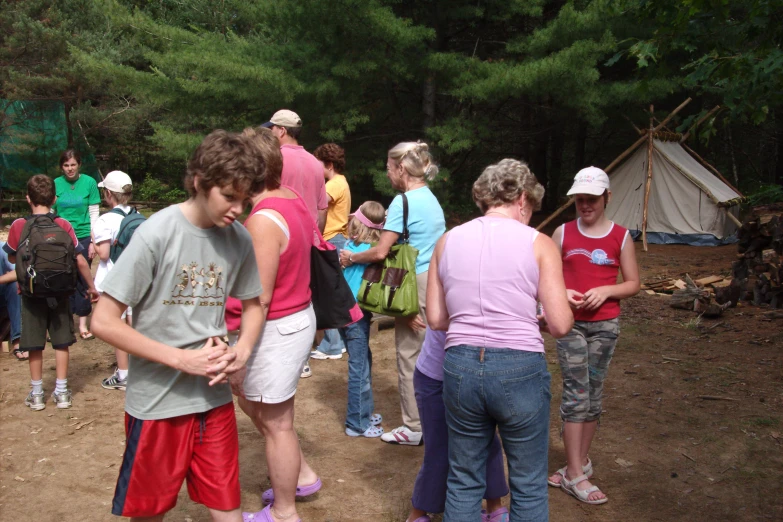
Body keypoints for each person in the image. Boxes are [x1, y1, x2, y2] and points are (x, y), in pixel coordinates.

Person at [90, 130, 265, 522]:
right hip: (156, 404)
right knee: (149, 513)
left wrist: (243, 350)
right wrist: (181, 360)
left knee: (228, 510)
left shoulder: (238, 238)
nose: (238, 209)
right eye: (229, 196)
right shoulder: (156, 232)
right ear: (200, 183)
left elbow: (254, 305)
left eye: (245, 200)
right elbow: (103, 320)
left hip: (213, 403)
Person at [426, 159, 573, 520]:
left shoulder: (447, 240)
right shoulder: (538, 242)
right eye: (532, 208)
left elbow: (436, 318)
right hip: (519, 366)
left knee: (463, 479)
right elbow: (560, 325)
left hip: (460, 364)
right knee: (528, 481)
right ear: (522, 198)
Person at [224, 127, 319, 522]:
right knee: (266, 413)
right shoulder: (291, 199)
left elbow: (258, 297)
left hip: (276, 328)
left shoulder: (263, 220)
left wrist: (240, 352)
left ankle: (283, 512)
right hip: (293, 319)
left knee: (277, 423)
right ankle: (303, 475)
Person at [340, 141, 445, 446]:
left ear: (401, 168)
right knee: (430, 352)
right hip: (433, 281)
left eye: (388, 168)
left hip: (412, 285)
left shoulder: (403, 201)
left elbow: (381, 251)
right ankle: (432, 419)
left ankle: (413, 427)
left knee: (409, 355)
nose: (387, 174)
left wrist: (351, 258)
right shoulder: (430, 198)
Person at [546, 167, 640, 505]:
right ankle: (573, 474)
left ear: (606, 198)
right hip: (570, 323)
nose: (585, 205)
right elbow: (548, 275)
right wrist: (565, 290)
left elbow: (633, 283)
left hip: (605, 325)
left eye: (592, 199)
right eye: (580, 200)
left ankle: (579, 462)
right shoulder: (562, 233)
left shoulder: (621, 236)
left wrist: (607, 290)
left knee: (594, 393)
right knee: (576, 392)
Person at [4, 175, 100, 411]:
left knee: (34, 344)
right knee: (61, 343)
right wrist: (91, 286)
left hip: (30, 293)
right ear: (55, 198)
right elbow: (80, 261)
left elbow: (12, 258)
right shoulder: (64, 224)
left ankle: (37, 394)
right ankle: (62, 391)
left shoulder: (18, 226)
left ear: (28, 198)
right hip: (61, 293)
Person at [407, 328, 509, 522]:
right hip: (437, 377)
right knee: (438, 448)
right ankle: (418, 513)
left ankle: (494, 508)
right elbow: (440, 321)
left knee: (488, 441)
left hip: (478, 377)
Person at [339, 201, 385, 438]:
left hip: (346, 313)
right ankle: (356, 423)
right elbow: (384, 250)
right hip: (355, 315)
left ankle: (364, 412)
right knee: (359, 367)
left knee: (364, 360)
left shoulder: (351, 247)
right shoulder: (368, 251)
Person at [91, 170, 135, 391]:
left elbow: (105, 253)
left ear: (108, 194)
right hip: (136, 278)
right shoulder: (137, 216)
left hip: (114, 280)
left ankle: (124, 374)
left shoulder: (105, 219)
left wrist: (94, 243)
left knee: (117, 327)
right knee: (134, 325)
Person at [52, 149, 101, 340]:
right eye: (66, 165)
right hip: (61, 238)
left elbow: (94, 213)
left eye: (73, 164)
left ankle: (82, 324)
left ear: (79, 164)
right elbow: (51, 211)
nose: (70, 169)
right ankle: (63, 324)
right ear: (62, 167)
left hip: (82, 236)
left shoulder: (89, 183)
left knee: (83, 278)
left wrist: (93, 241)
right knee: (62, 278)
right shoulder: (56, 183)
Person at [310, 143, 351, 360]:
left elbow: (318, 205)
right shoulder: (340, 182)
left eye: (319, 165)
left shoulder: (333, 184)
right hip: (338, 240)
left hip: (332, 240)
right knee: (332, 291)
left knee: (327, 294)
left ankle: (331, 346)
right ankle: (336, 343)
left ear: (329, 164)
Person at [261, 109, 328, 230]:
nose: (270, 133)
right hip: (310, 240)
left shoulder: (275, 159)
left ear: (282, 131)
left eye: (272, 129)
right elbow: (322, 210)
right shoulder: (316, 163)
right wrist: (318, 239)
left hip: (284, 237)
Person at [0, 246, 23, 360]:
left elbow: (19, 271)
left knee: (15, 287)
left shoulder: (2, 248)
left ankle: (17, 340)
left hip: (2, 297)